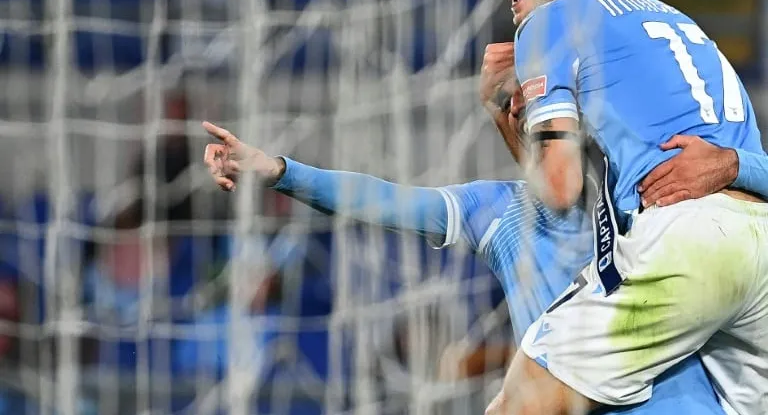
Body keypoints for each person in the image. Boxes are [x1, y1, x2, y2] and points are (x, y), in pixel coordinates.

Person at [202, 107, 767, 414]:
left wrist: (734, 165)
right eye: (523, 117)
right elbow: (380, 200)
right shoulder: (496, 210)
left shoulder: (644, 200)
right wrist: (282, 172)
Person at [487, 0, 768, 415]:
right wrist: (734, 165)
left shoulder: (550, 23)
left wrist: (503, 113)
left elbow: (561, 193)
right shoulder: (677, 20)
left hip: (689, 245)